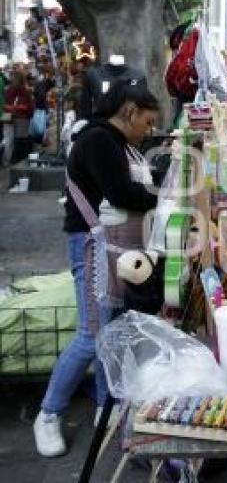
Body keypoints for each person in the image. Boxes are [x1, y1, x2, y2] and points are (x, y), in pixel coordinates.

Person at [33, 77, 160, 457]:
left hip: (115, 248)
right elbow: (122, 195)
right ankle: (48, 414)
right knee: (92, 335)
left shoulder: (121, 144)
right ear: (129, 111)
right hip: (91, 246)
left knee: (113, 330)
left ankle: (107, 407)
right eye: (148, 122)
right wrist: (161, 191)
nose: (149, 130)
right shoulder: (99, 140)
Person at [3, 67, 34, 165]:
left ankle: (8, 161)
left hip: (9, 117)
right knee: (20, 141)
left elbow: (4, 105)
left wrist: (11, 108)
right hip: (21, 118)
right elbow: (28, 107)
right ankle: (18, 160)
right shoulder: (25, 91)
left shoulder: (8, 90)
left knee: (10, 140)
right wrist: (19, 108)